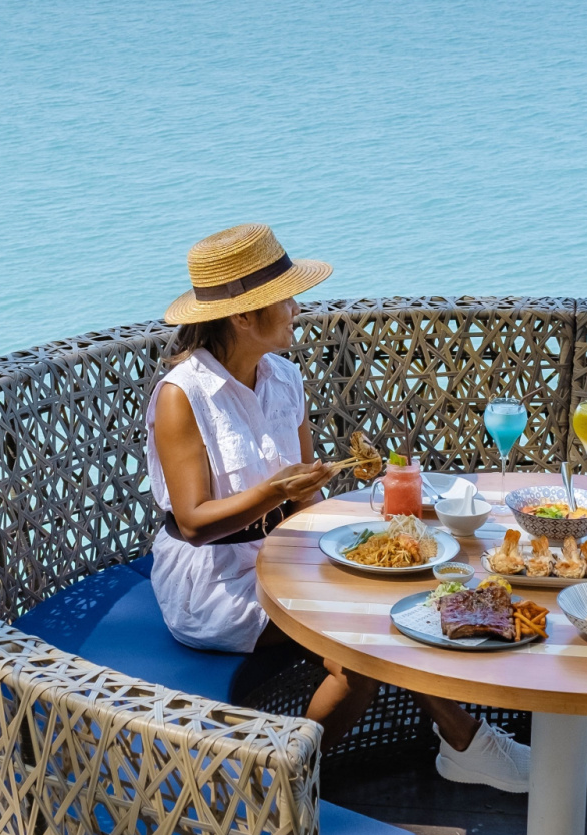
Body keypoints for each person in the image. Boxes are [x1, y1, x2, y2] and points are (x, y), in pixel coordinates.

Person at [148, 223, 530, 792]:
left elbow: (306, 499)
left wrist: (360, 548)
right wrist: (275, 492)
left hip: (284, 556)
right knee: (365, 647)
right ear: (245, 317)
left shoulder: (285, 378)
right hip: (216, 583)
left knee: (407, 589)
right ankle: (269, 789)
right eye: (286, 299)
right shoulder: (184, 396)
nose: (298, 309)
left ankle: (462, 741)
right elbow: (193, 523)